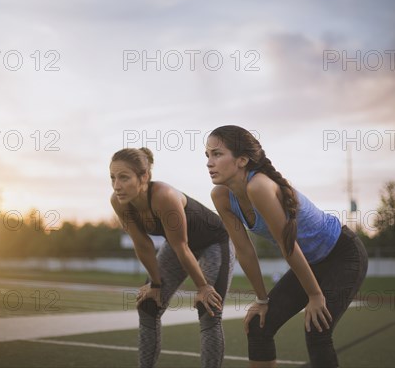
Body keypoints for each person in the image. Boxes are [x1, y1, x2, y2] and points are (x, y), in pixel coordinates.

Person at [205, 125, 368, 368]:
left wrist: (315, 295)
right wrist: (261, 300)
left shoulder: (258, 186)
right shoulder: (220, 196)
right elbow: (245, 251)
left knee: (317, 330)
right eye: (207, 155)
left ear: (242, 160)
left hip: (343, 254)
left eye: (217, 154)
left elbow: (287, 245)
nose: (209, 162)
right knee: (259, 326)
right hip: (309, 262)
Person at [109, 147, 235, 368]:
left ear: (144, 176)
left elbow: (182, 245)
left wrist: (203, 287)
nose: (117, 186)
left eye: (124, 178)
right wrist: (155, 284)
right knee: (148, 305)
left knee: (209, 309)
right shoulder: (119, 202)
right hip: (179, 247)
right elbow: (143, 244)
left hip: (215, 242)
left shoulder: (163, 196)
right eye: (112, 178)